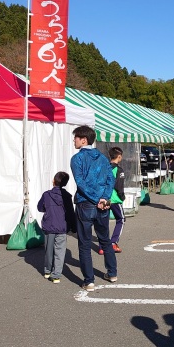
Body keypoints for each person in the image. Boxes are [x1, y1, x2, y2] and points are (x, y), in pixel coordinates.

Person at [70, 125, 117, 292]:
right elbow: (111, 179)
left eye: (76, 137)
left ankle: (89, 281)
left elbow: (80, 183)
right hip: (103, 203)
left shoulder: (77, 159)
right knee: (105, 239)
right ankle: (112, 273)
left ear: (84, 140)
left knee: (84, 243)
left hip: (86, 204)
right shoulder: (103, 158)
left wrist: (97, 198)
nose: (74, 140)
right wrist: (104, 198)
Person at [37, 171, 75, 284]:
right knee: (60, 251)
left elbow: (40, 208)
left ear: (53, 180)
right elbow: (70, 213)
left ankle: (47, 270)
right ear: (65, 183)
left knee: (48, 250)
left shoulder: (46, 195)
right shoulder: (67, 196)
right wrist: (73, 227)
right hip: (62, 227)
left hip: (49, 225)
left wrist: (48, 209)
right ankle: (56, 275)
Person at [101, 147, 126, 255]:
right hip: (115, 199)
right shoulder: (119, 170)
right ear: (119, 157)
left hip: (104, 198)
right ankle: (113, 242)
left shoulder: (104, 168)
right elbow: (119, 186)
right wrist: (122, 196)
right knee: (121, 219)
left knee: (103, 222)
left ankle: (102, 246)